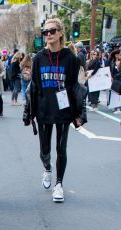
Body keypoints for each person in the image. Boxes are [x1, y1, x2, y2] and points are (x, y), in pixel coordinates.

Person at [23, 17, 87, 202]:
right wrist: (28, 113)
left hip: (63, 110)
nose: (48, 35)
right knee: (44, 150)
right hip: (43, 110)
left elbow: (75, 88)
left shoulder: (71, 59)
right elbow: (33, 87)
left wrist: (79, 114)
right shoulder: (39, 58)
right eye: (45, 32)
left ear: (60, 33)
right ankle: (47, 169)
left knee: (61, 148)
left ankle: (59, 184)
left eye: (52, 31)